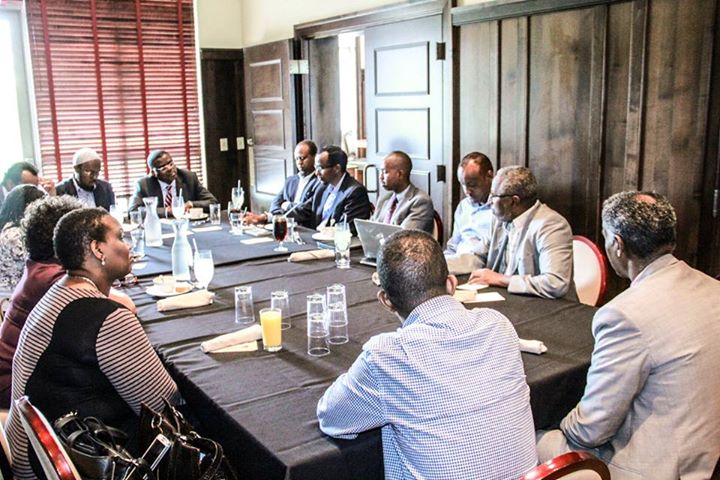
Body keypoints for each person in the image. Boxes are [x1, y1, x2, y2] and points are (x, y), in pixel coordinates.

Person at [317, 229, 538, 479]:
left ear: (386, 301)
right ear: (451, 284)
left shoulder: (387, 356)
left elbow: (332, 418)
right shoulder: (498, 325)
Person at [536, 191, 720, 479]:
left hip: (655, 468)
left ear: (617, 245)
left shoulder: (625, 314)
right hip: (707, 454)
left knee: (526, 436)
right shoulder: (713, 288)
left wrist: (555, 421)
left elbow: (590, 431)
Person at [5, 208, 179, 480]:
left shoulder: (58, 292)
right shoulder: (106, 317)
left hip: (33, 451)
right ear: (98, 249)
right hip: (64, 462)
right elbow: (162, 407)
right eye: (120, 237)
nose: (128, 245)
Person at [0, 195, 136, 408]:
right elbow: (125, 306)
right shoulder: (53, 279)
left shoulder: (39, 266)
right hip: (15, 388)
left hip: (23, 375)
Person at [469, 165, 576, 300]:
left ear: (513, 201)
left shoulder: (552, 225)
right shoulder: (500, 219)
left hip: (546, 305)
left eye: (494, 196)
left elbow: (555, 283)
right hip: (505, 299)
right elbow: (477, 256)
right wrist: (444, 266)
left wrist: (500, 279)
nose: (489, 201)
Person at [294, 145, 371, 234]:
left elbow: (346, 227)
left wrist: (323, 231)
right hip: (316, 238)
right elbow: (304, 210)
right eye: (316, 168)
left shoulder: (355, 192)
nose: (316, 173)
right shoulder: (322, 187)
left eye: (320, 168)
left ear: (337, 168)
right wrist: (283, 214)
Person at [244, 140, 321, 224]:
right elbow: (274, 205)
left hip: (304, 227)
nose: (299, 162)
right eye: (296, 159)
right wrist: (269, 217)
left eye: (302, 158)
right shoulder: (290, 181)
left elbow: (305, 212)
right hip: (284, 224)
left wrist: (287, 205)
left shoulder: (319, 183)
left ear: (314, 157)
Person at [444, 152, 495, 273]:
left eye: (472, 185)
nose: (467, 191)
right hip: (456, 262)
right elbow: (453, 245)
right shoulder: (464, 205)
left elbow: (487, 250)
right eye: (463, 185)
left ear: (489, 176)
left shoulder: (500, 208)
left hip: (479, 263)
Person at [128, 149, 217, 217]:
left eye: (171, 163)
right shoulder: (143, 185)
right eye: (164, 168)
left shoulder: (188, 177)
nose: (170, 169)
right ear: (154, 173)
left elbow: (212, 202)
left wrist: (191, 204)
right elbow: (133, 211)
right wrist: (167, 211)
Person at [370, 150, 434, 233]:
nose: (381, 177)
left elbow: (404, 236)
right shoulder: (384, 198)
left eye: (385, 172)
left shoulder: (420, 201)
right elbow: (371, 228)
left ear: (399, 174)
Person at [0, 185, 46, 290]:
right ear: (28, 207)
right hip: (12, 293)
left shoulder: (11, 229)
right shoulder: (15, 236)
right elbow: (37, 267)